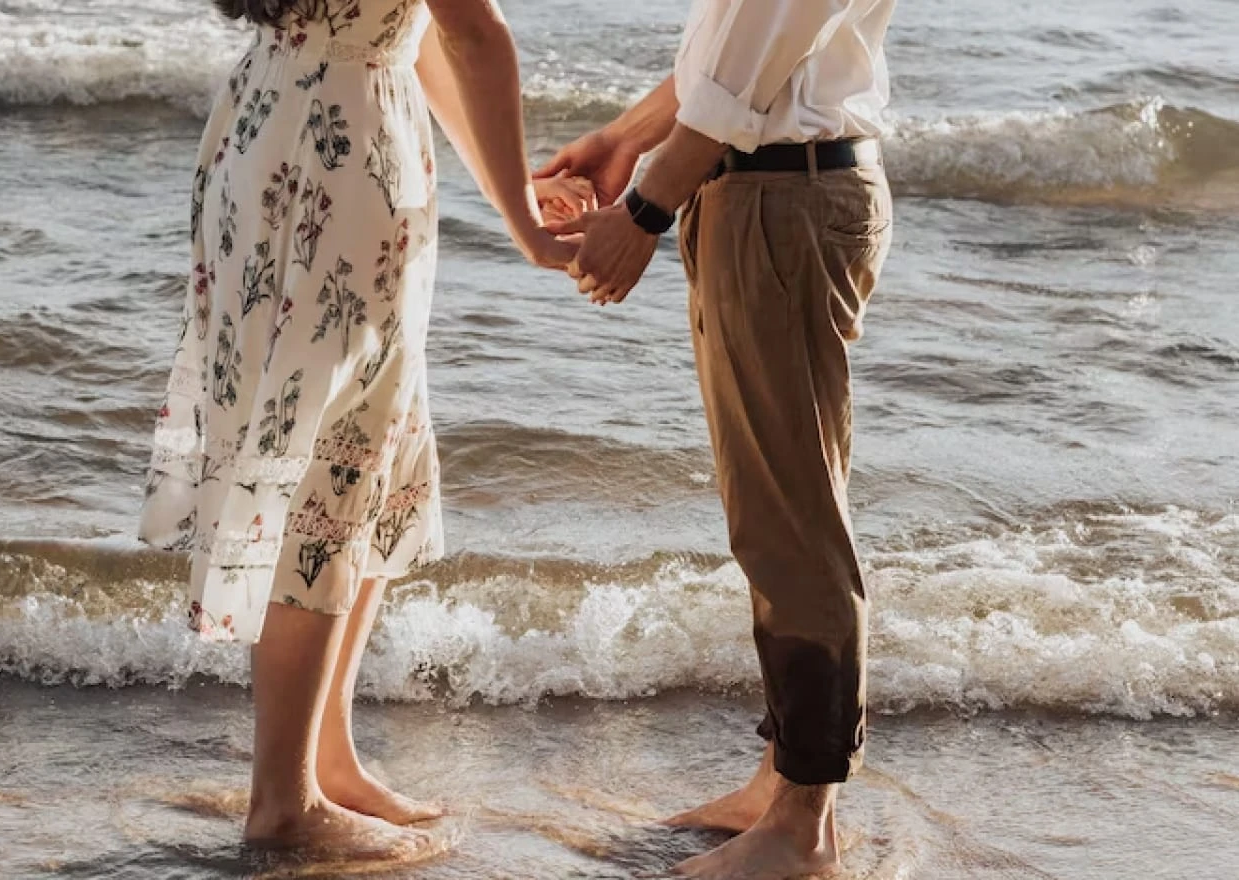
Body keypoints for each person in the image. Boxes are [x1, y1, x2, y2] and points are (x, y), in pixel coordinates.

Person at [138, 0, 587, 861]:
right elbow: (473, 33)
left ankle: (323, 758)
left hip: (275, 121)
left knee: (365, 445)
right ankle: (283, 801)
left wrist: (509, 186)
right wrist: (528, 231)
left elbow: (413, 40)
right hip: (342, 156)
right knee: (332, 459)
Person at [541, 0, 897, 876]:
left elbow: (761, 45)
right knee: (775, 515)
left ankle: (804, 827)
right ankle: (782, 785)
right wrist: (628, 137)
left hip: (783, 198)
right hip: (769, 188)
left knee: (792, 525)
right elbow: (743, 54)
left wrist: (647, 207)